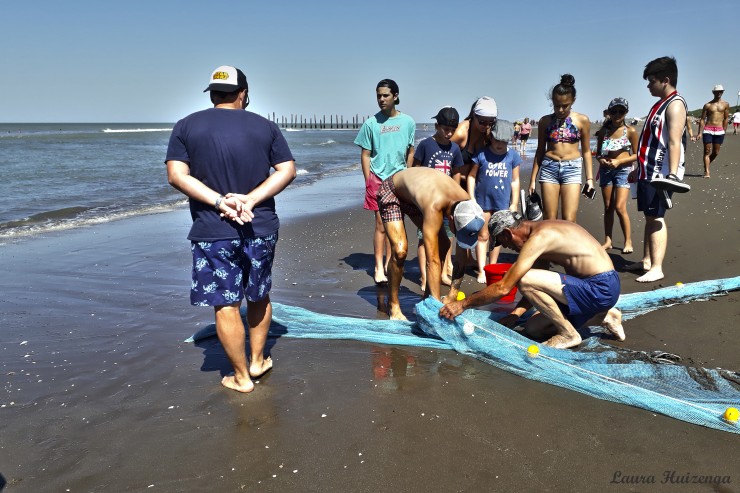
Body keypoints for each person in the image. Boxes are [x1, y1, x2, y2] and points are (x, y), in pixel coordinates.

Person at [166, 65, 296, 393]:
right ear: (243, 93)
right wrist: (250, 200)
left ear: (212, 94)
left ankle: (241, 377)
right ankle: (257, 360)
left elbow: (177, 176)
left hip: (212, 229)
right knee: (259, 294)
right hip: (260, 225)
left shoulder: (185, 126)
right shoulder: (266, 127)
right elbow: (287, 170)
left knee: (225, 304)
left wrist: (220, 202)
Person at [440, 210, 624, 349]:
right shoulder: (543, 230)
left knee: (523, 278)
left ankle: (568, 334)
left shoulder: (540, 238)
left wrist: (462, 304)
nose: (508, 248)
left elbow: (504, 287)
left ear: (507, 233)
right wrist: (516, 315)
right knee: (534, 328)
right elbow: (538, 285)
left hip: (600, 287)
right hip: (598, 287)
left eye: (504, 243)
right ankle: (607, 316)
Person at [377, 167, 484, 320]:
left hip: (417, 196)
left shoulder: (469, 209)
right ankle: (393, 305)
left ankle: (427, 300)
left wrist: (453, 294)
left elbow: (462, 255)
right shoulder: (434, 207)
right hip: (393, 191)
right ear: (451, 220)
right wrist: (437, 312)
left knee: (444, 244)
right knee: (400, 251)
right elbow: (432, 260)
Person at [627, 56, 689, 283]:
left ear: (665, 80)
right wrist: (638, 168)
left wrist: (671, 176)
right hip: (647, 170)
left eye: (651, 80)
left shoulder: (675, 104)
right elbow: (650, 140)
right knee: (649, 216)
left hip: (660, 173)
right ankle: (646, 260)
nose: (648, 85)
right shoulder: (659, 104)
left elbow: (674, 142)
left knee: (656, 217)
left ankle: (657, 267)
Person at [355, 79, 416, 285]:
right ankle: (378, 268)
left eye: (385, 95)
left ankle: (391, 263)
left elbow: (410, 150)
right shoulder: (371, 124)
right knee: (381, 224)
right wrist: (368, 180)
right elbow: (365, 154)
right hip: (377, 178)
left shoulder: (408, 122)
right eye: (378, 95)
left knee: (395, 223)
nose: (381, 99)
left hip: (399, 179)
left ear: (395, 96)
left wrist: (407, 173)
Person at [528, 74, 594, 222]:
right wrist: (532, 179)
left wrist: (589, 179)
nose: (561, 109)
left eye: (565, 106)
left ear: (573, 101)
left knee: (569, 219)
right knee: (549, 218)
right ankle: (552, 246)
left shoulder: (582, 120)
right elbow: (540, 151)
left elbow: (586, 151)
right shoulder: (545, 121)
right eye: (557, 105)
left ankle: (568, 246)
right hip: (549, 168)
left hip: (572, 168)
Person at [412, 106, 464, 291]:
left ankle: (442, 273)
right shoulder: (426, 145)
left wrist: (457, 197)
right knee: (424, 237)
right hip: (426, 201)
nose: (449, 133)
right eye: (445, 129)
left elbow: (456, 173)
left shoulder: (455, 149)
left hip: (446, 201)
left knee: (448, 236)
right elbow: (415, 170)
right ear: (437, 126)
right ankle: (425, 277)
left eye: (453, 129)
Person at [468, 120, 521, 282]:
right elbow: (471, 176)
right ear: (491, 137)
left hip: (502, 204)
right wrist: (471, 198)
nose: (499, 145)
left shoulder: (513, 156)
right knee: (483, 236)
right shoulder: (482, 155)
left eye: (504, 141)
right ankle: (482, 270)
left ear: (510, 140)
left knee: (497, 237)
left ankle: (493, 267)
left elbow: (515, 181)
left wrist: (514, 203)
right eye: (497, 140)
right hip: (482, 202)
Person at [594, 98, 638, 254]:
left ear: (626, 112)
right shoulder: (604, 132)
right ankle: (608, 240)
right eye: (614, 111)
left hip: (623, 171)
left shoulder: (630, 131)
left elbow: (637, 155)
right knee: (608, 207)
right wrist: (602, 160)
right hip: (606, 171)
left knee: (620, 207)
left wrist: (620, 162)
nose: (617, 114)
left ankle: (628, 241)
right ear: (609, 113)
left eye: (621, 111)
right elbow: (598, 154)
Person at [694, 84, 730, 178]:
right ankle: (707, 172)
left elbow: (726, 118)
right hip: (708, 130)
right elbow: (702, 119)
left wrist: (724, 130)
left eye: (721, 91)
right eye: (717, 91)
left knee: (716, 152)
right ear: (713, 92)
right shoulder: (707, 105)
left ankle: (707, 163)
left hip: (719, 130)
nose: (719, 93)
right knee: (707, 151)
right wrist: (699, 133)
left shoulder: (725, 104)